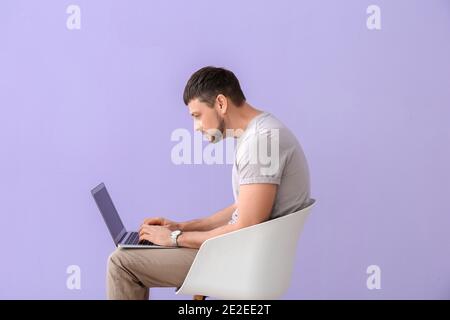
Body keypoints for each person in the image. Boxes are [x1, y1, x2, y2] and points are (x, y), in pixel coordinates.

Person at [106, 66, 311, 299]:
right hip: (243, 254)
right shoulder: (260, 133)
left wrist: (174, 239)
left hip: (241, 261)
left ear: (221, 103)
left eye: (197, 115)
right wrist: (181, 227)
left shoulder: (260, 142)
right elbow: (242, 209)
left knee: (121, 263)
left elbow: (245, 227)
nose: (196, 127)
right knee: (132, 254)